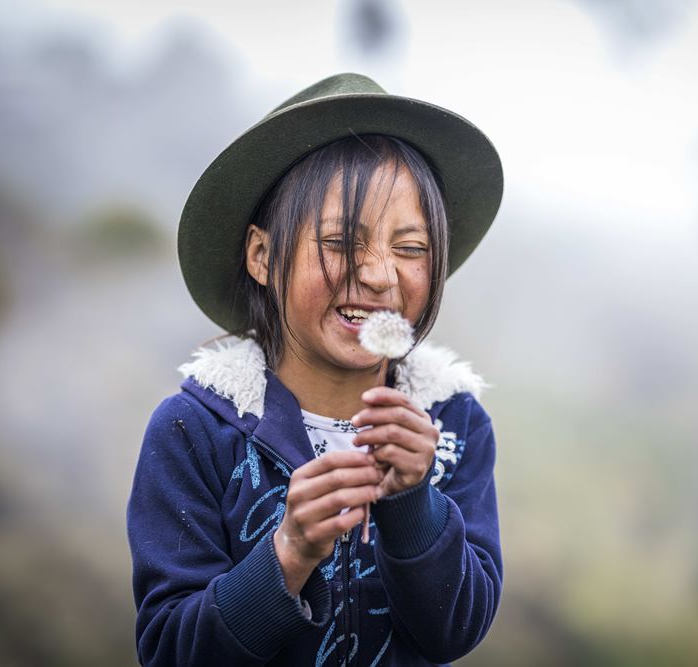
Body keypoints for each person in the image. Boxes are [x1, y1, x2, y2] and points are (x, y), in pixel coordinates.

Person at [126, 72, 504, 666]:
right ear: (262, 254)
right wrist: (289, 553)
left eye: (411, 248)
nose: (380, 275)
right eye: (341, 242)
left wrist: (411, 500)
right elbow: (171, 649)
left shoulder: (451, 426)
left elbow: (455, 631)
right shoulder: (193, 433)